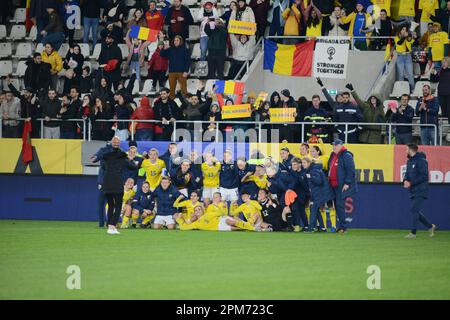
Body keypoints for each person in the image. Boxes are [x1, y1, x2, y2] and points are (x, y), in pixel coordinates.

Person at [99, 136, 137, 235]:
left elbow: (103, 166)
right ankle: (112, 226)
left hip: (107, 183)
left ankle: (110, 227)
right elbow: (133, 167)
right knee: (118, 205)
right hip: (117, 184)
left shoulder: (106, 156)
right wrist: (130, 159)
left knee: (111, 205)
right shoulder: (122, 157)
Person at [403, 143, 436, 238]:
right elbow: (407, 174)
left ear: (411, 150)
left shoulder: (422, 161)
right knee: (415, 211)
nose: (406, 151)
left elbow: (424, 176)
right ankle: (430, 226)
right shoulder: (409, 161)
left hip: (421, 189)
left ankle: (413, 233)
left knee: (414, 210)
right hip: (413, 190)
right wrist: (405, 180)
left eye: (406, 149)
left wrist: (411, 183)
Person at [327, 139, 358, 234]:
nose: (333, 147)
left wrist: (347, 183)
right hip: (333, 185)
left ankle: (343, 227)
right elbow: (330, 167)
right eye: (333, 145)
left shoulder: (346, 155)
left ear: (341, 145)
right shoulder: (333, 154)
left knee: (340, 205)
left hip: (341, 186)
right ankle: (341, 226)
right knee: (336, 206)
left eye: (335, 145)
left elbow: (351, 171)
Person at [302, 157, 333, 232]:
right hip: (317, 193)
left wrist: (310, 177)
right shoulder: (310, 170)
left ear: (309, 163)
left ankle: (311, 228)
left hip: (321, 193)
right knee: (316, 209)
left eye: (304, 163)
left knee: (313, 208)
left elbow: (319, 181)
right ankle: (322, 227)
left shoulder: (314, 170)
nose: (303, 165)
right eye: (302, 163)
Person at [394, 26, 415, 92]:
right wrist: (404, 37)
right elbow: (399, 43)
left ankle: (413, 89)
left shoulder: (408, 37)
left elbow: (413, 42)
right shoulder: (396, 37)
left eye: (405, 30)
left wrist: (413, 36)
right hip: (400, 56)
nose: (404, 31)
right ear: (400, 30)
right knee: (400, 75)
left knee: (410, 74)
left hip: (408, 56)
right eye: (403, 29)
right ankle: (402, 90)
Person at [438, 57, 450, 142]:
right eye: (442, 62)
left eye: (445, 62)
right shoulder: (440, 71)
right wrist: (432, 74)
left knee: (449, 111)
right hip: (441, 93)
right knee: (444, 112)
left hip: (449, 93)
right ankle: (444, 130)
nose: (443, 64)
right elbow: (434, 80)